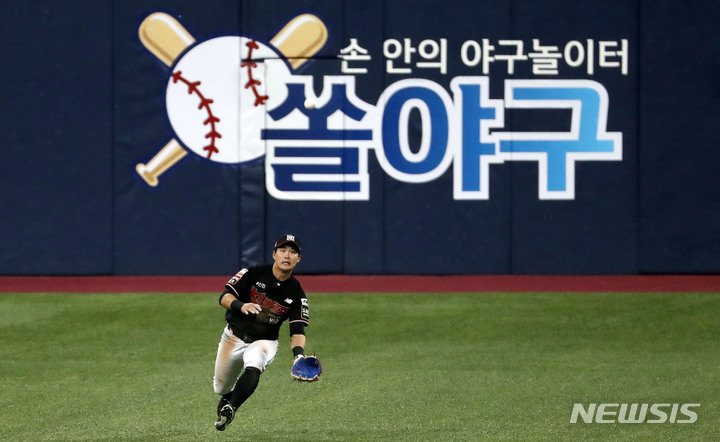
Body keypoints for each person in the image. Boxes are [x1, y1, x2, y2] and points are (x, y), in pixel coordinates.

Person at [212, 234, 310, 431]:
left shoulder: (297, 293)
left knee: (255, 362)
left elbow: (297, 330)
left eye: (293, 252)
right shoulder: (253, 273)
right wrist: (240, 305)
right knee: (220, 387)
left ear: (298, 259)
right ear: (274, 254)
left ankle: (232, 408)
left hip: (265, 341)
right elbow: (224, 297)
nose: (287, 255)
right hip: (233, 337)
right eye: (282, 250)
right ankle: (228, 396)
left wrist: (298, 355)